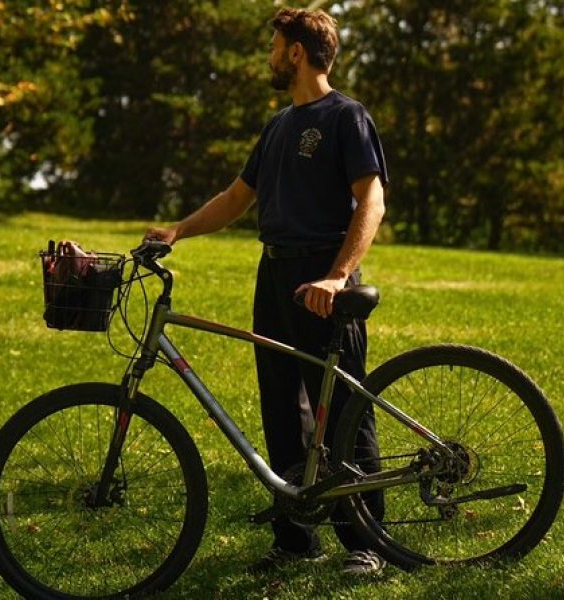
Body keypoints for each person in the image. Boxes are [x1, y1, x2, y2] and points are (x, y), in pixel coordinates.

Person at [145, 7, 387, 576]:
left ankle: (366, 540)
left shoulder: (345, 117)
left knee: (344, 411)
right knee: (282, 407)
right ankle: (297, 537)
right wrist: (177, 230)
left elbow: (371, 201)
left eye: (276, 47)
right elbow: (236, 198)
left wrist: (335, 275)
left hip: (323, 275)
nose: (271, 56)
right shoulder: (278, 126)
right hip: (274, 275)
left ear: (297, 52)